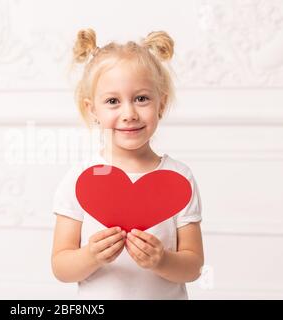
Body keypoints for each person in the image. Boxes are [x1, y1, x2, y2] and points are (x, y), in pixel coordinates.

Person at [51, 28, 204, 299]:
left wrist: (162, 261)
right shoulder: (80, 179)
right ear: (92, 109)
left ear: (161, 103)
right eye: (112, 101)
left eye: (141, 98)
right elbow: (61, 267)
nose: (129, 113)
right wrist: (91, 256)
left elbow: (193, 266)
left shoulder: (179, 176)